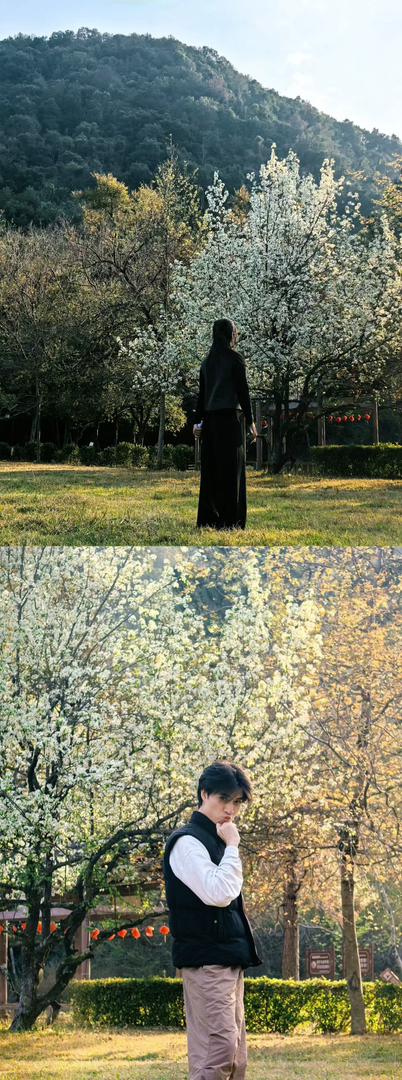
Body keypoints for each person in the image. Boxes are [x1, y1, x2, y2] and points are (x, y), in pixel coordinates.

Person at [164, 761, 261, 1079]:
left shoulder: (217, 840)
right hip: (207, 961)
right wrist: (233, 846)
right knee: (217, 1052)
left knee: (236, 1056)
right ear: (204, 794)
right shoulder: (187, 843)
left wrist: (228, 845)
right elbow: (218, 893)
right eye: (224, 799)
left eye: (236, 802)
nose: (231, 809)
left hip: (228, 959)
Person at [193, 320, 257, 530]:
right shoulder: (235, 359)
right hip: (230, 420)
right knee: (232, 472)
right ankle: (231, 521)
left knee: (211, 472)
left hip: (210, 423)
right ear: (231, 335)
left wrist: (198, 422)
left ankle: (208, 520)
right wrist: (251, 421)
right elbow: (243, 391)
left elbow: (201, 397)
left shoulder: (206, 362)